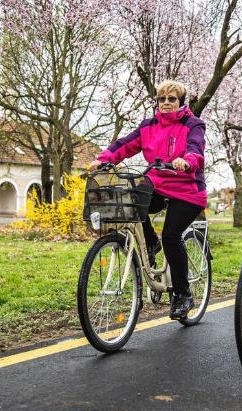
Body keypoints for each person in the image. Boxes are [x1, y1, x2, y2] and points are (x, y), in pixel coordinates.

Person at [87, 80, 206, 320]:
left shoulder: (193, 124)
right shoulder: (148, 126)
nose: (165, 103)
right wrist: (104, 159)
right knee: (131, 203)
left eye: (171, 99)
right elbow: (124, 145)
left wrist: (187, 161)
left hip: (187, 189)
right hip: (156, 184)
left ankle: (183, 295)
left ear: (181, 103)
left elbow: (196, 149)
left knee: (172, 235)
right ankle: (151, 243)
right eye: (161, 99)